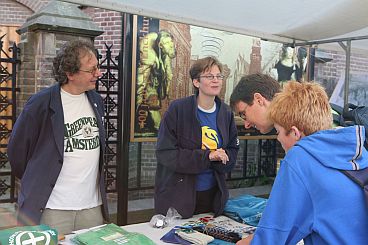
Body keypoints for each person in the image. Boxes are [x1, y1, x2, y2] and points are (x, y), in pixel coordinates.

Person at [236, 81, 368, 245]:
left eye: (278, 132)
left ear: (295, 133)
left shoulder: (300, 158)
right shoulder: (360, 152)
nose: (277, 139)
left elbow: (272, 238)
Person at [7, 40, 109, 234]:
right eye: (92, 69)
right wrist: (36, 178)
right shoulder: (40, 103)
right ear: (70, 74)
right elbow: (17, 152)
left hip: (92, 207)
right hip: (53, 207)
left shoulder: (96, 100)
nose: (98, 73)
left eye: (98, 67)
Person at [154, 56, 239, 218]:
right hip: (179, 195)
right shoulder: (178, 109)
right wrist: (208, 156)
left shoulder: (226, 112)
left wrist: (223, 157)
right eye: (209, 76)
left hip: (213, 195)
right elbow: (165, 153)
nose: (216, 80)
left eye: (219, 76)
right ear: (196, 82)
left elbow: (233, 148)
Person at [135, 30, 176, 136]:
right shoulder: (149, 55)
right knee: (153, 105)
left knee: (154, 105)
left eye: (171, 44)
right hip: (148, 85)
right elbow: (141, 79)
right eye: (167, 44)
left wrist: (166, 88)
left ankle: (158, 128)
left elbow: (168, 72)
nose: (170, 46)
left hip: (154, 85)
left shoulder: (163, 54)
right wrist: (138, 96)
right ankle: (155, 127)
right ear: (160, 45)